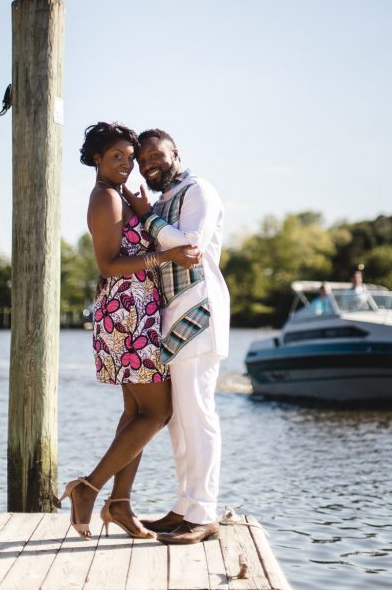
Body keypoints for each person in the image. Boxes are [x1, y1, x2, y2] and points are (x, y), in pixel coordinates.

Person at [57, 122, 201, 541]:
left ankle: (119, 505)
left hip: (137, 311)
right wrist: (168, 256)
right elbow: (108, 265)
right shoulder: (104, 199)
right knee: (158, 412)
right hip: (128, 315)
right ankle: (88, 488)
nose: (125, 164)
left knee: (137, 413)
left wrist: (143, 214)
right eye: (115, 156)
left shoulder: (119, 197)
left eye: (129, 157)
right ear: (97, 159)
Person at [122, 127, 229, 546]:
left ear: (174, 152)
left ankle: (204, 514)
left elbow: (190, 246)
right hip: (173, 321)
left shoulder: (199, 191)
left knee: (198, 416)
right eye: (142, 160)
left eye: (155, 155)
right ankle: (184, 507)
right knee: (179, 423)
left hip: (199, 315)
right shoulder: (165, 199)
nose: (149, 163)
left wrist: (145, 214)